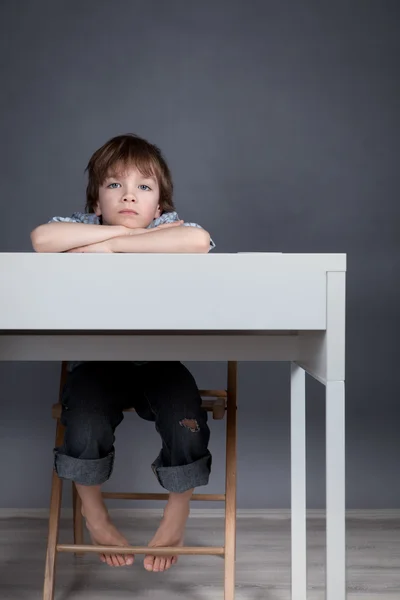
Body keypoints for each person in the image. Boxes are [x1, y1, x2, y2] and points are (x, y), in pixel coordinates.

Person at [30, 133, 215, 573]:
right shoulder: (82, 226)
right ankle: (95, 513)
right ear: (96, 202)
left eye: (143, 188)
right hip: (96, 362)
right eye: (115, 186)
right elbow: (41, 238)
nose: (129, 195)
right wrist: (116, 235)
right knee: (84, 420)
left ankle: (177, 512)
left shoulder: (172, 230)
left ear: (160, 209)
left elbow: (197, 242)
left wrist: (109, 247)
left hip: (160, 361)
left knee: (185, 415)